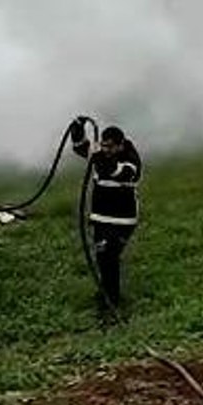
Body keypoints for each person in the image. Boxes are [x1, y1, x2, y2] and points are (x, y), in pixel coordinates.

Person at [69, 119, 142, 310]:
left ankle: (112, 300)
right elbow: (80, 147)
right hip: (101, 217)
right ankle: (107, 295)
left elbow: (117, 172)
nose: (106, 150)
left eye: (110, 147)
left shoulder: (131, 160)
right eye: (104, 146)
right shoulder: (101, 153)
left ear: (120, 145)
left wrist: (98, 155)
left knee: (110, 255)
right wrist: (77, 130)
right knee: (103, 257)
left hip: (123, 220)